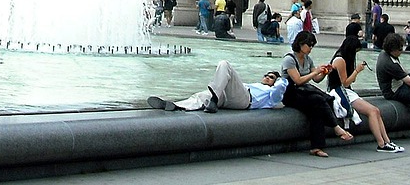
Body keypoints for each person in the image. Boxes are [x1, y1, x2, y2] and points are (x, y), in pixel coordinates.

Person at [327, 30, 404, 152]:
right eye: (356, 52)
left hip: (347, 92)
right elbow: (345, 82)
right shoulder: (340, 60)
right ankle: (381, 144)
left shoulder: (343, 58)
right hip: (340, 93)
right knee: (373, 111)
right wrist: (357, 71)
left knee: (376, 111)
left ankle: (387, 141)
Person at [282, 30, 353, 157]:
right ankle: (336, 128)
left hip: (304, 92)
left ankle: (316, 147)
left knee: (318, 109)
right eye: (309, 45)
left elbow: (316, 80)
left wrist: (325, 72)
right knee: (318, 100)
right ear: (300, 44)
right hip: (290, 94)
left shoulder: (308, 59)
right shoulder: (289, 59)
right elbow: (297, 80)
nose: (310, 48)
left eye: (312, 45)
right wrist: (315, 72)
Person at [147, 62, 286, 112]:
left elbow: (278, 91)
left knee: (225, 64)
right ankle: (176, 105)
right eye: (266, 75)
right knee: (202, 96)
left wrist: (282, 79)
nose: (267, 77)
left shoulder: (271, 94)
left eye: (271, 77)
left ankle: (214, 99)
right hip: (230, 98)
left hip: (246, 100)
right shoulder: (254, 84)